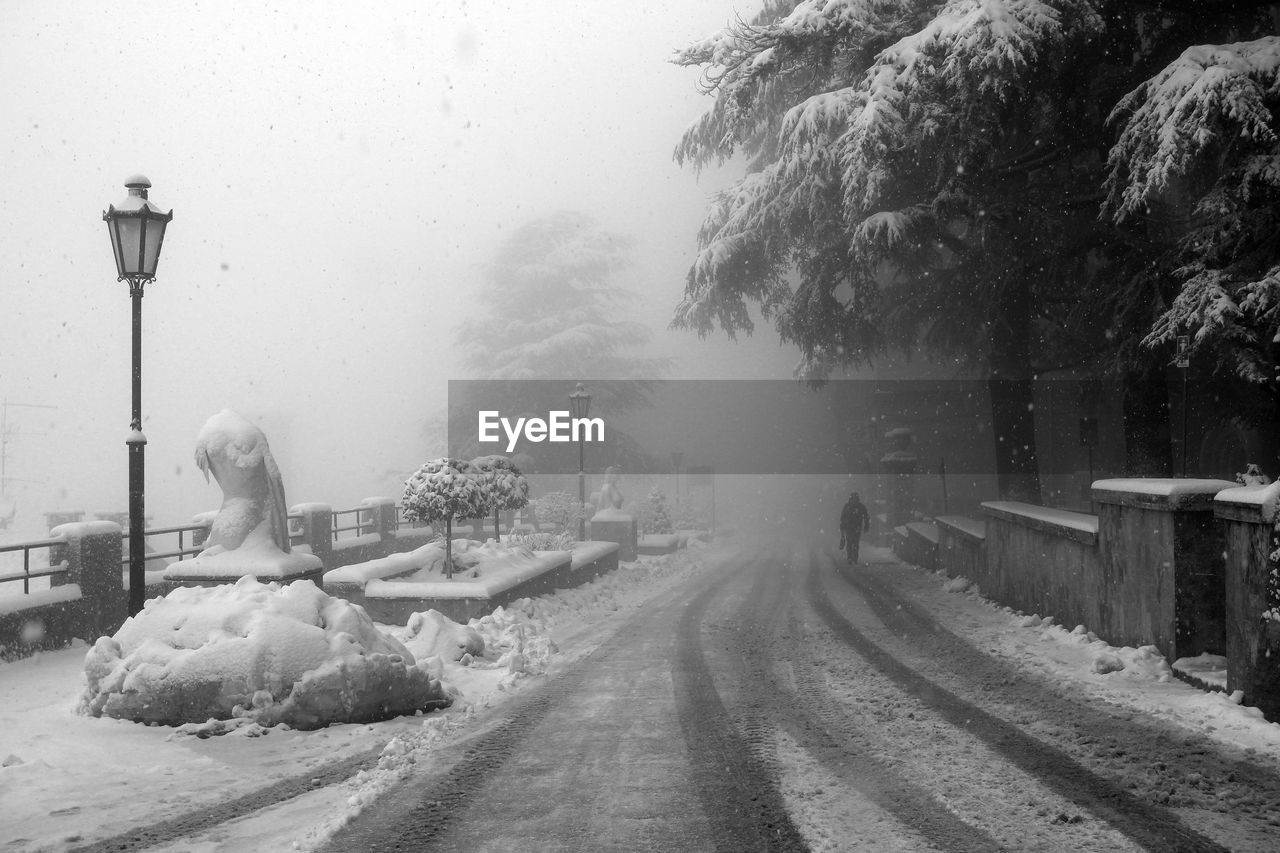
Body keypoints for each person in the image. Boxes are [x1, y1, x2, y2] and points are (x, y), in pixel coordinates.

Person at [839, 492, 870, 565]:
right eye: (853, 499)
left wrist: (866, 525)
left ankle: (854, 557)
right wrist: (843, 526)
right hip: (850, 527)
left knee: (855, 543)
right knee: (850, 542)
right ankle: (850, 557)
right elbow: (843, 517)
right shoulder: (851, 506)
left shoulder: (858, 507)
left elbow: (866, 516)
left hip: (856, 527)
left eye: (855, 499)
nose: (854, 501)